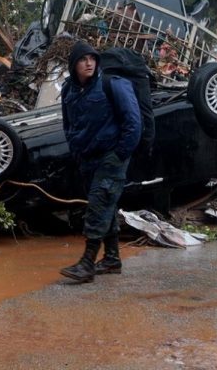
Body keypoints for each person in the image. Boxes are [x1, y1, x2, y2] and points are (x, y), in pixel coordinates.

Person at [60, 40, 141, 282]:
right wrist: (75, 149)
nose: (89, 63)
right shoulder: (69, 90)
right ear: (73, 65)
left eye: (92, 59)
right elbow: (68, 123)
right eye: (83, 59)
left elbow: (133, 123)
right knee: (106, 206)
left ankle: (87, 263)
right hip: (87, 158)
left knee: (98, 206)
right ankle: (112, 258)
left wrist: (119, 154)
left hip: (111, 157)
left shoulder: (111, 84)